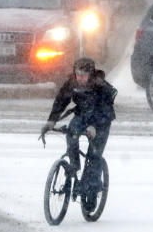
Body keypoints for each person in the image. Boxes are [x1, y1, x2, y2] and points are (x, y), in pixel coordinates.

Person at [40, 57, 117, 207]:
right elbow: (61, 100)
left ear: (91, 74)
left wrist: (94, 126)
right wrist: (51, 121)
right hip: (82, 115)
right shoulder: (72, 83)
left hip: (102, 121)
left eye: (83, 75)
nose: (80, 78)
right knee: (71, 133)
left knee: (94, 155)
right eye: (78, 74)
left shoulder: (101, 86)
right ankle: (74, 165)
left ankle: (92, 191)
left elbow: (105, 108)